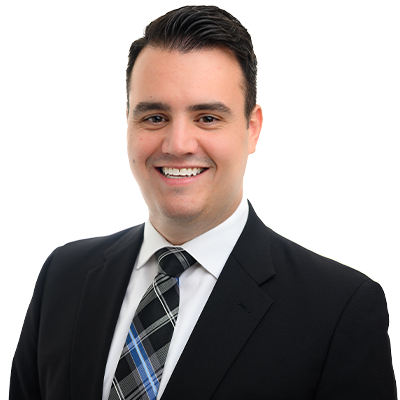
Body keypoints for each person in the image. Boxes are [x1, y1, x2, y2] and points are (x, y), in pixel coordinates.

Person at [9, 5, 396, 400]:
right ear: (128, 123)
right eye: (154, 117)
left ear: (252, 129)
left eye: (207, 117)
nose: (178, 145)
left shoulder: (338, 308)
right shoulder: (63, 276)